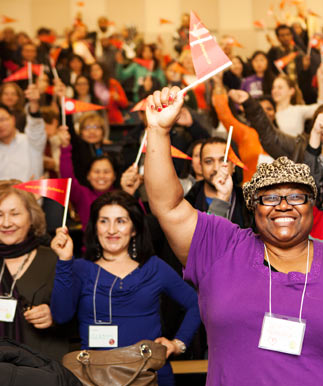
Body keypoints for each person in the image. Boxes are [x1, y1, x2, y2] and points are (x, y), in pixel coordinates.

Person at [143, 86, 323, 385]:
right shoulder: (222, 247)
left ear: (313, 207)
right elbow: (167, 205)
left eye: (296, 197)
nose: (283, 205)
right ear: (253, 208)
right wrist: (157, 130)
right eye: (269, 198)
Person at [50, 191, 200, 386]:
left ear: (134, 229)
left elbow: (197, 303)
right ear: (95, 227)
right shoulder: (80, 268)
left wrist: (178, 343)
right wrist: (64, 260)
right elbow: (61, 315)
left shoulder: (154, 268)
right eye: (104, 221)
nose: (112, 230)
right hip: (94, 377)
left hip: (150, 375)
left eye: (121, 221)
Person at [0, 181, 71, 361]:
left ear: (31, 216)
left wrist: (53, 316)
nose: (6, 223)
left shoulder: (56, 258)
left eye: (15, 213)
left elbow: (80, 317)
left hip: (42, 369)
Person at [184, 137, 250, 228]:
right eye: (209, 162)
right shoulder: (187, 203)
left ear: (233, 165)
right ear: (201, 166)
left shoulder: (248, 203)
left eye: (223, 160)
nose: (216, 168)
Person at [0, 84, 45, 182]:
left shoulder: (31, 141)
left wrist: (34, 104)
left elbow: (36, 128)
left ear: (13, 119)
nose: (0, 125)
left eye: (3, 119)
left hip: (32, 196)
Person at [271, 69, 323, 137]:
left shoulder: (297, 110)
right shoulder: (267, 111)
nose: (275, 91)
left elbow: (322, 107)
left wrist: (321, 80)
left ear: (291, 91)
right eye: (273, 87)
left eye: (280, 87)